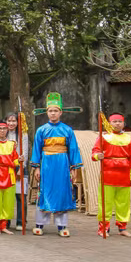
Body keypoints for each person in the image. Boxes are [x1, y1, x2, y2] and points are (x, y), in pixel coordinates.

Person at [30, 93, 82, 237]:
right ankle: (39, 225)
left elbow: (73, 149)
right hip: (46, 163)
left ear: (60, 112)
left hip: (63, 164)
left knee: (62, 192)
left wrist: (74, 168)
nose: (53, 113)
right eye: (50, 111)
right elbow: (36, 149)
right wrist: (37, 168)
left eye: (55, 110)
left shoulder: (67, 130)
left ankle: (62, 226)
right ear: (47, 112)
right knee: (44, 192)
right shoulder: (41, 130)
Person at [91, 112, 131, 237]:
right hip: (108, 173)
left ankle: (123, 227)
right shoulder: (103, 137)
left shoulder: (128, 138)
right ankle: (103, 228)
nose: (117, 123)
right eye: (114, 121)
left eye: (120, 121)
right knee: (106, 202)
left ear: (124, 123)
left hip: (124, 174)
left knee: (124, 203)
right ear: (109, 123)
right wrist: (97, 156)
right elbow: (94, 153)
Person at [5, 112, 30, 231]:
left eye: (13, 121)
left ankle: (21, 221)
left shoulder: (22, 134)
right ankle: (6, 220)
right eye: (9, 121)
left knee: (21, 196)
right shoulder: (2, 133)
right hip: (5, 168)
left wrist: (21, 168)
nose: (11, 123)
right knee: (7, 196)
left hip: (19, 167)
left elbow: (24, 152)